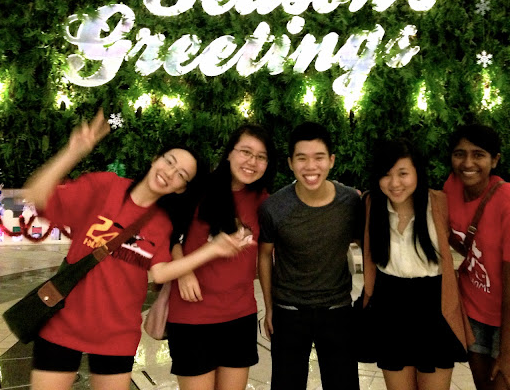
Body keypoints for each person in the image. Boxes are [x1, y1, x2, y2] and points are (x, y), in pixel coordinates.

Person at [22, 110, 251, 390]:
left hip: (116, 335)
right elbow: (36, 195)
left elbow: (161, 273)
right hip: (63, 323)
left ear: (181, 188)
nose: (170, 173)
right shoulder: (105, 187)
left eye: (181, 175)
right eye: (169, 161)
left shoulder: (162, 223)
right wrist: (73, 152)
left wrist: (213, 250)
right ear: (155, 159)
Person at [166, 124, 277, 390]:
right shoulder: (197, 189)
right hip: (192, 315)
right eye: (245, 152)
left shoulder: (264, 202)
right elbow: (166, 233)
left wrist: (271, 307)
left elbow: (267, 257)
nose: (252, 162)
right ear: (229, 153)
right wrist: (183, 271)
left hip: (239, 317)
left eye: (261, 157)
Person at [362, 139, 473, 390]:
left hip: (433, 309)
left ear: (417, 173)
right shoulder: (371, 206)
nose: (394, 183)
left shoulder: (439, 203)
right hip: (390, 310)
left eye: (403, 173)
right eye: (386, 174)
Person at [258, 122, 361, 390]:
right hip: (288, 311)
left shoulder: (350, 202)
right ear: (291, 163)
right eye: (302, 158)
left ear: (331, 161)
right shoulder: (274, 207)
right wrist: (269, 308)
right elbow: (265, 255)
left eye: (319, 158)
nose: (311, 167)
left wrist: (368, 299)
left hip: (337, 309)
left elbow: (369, 248)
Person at [444, 124, 510, 390]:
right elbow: (455, 237)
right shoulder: (451, 188)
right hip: (475, 309)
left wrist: (507, 350)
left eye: (478, 154)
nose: (468, 163)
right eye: (460, 154)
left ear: (495, 160)